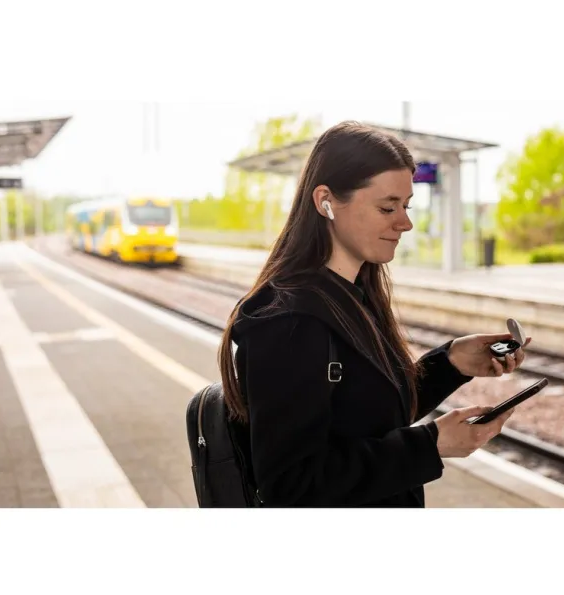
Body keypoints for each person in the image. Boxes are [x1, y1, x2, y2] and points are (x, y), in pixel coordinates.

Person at [218, 121, 531, 508]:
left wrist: (451, 362)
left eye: (406, 205)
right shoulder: (289, 322)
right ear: (325, 201)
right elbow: (291, 484)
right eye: (387, 207)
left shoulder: (353, 297)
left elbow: (369, 417)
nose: (405, 223)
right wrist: (430, 445)